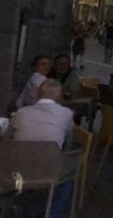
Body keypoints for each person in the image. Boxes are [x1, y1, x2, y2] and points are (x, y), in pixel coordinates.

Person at [7, 80, 75, 218]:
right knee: (69, 176)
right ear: (59, 97)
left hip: (18, 168)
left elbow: (8, 138)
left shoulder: (21, 112)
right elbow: (70, 140)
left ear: (37, 94)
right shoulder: (66, 113)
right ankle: (53, 214)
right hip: (48, 170)